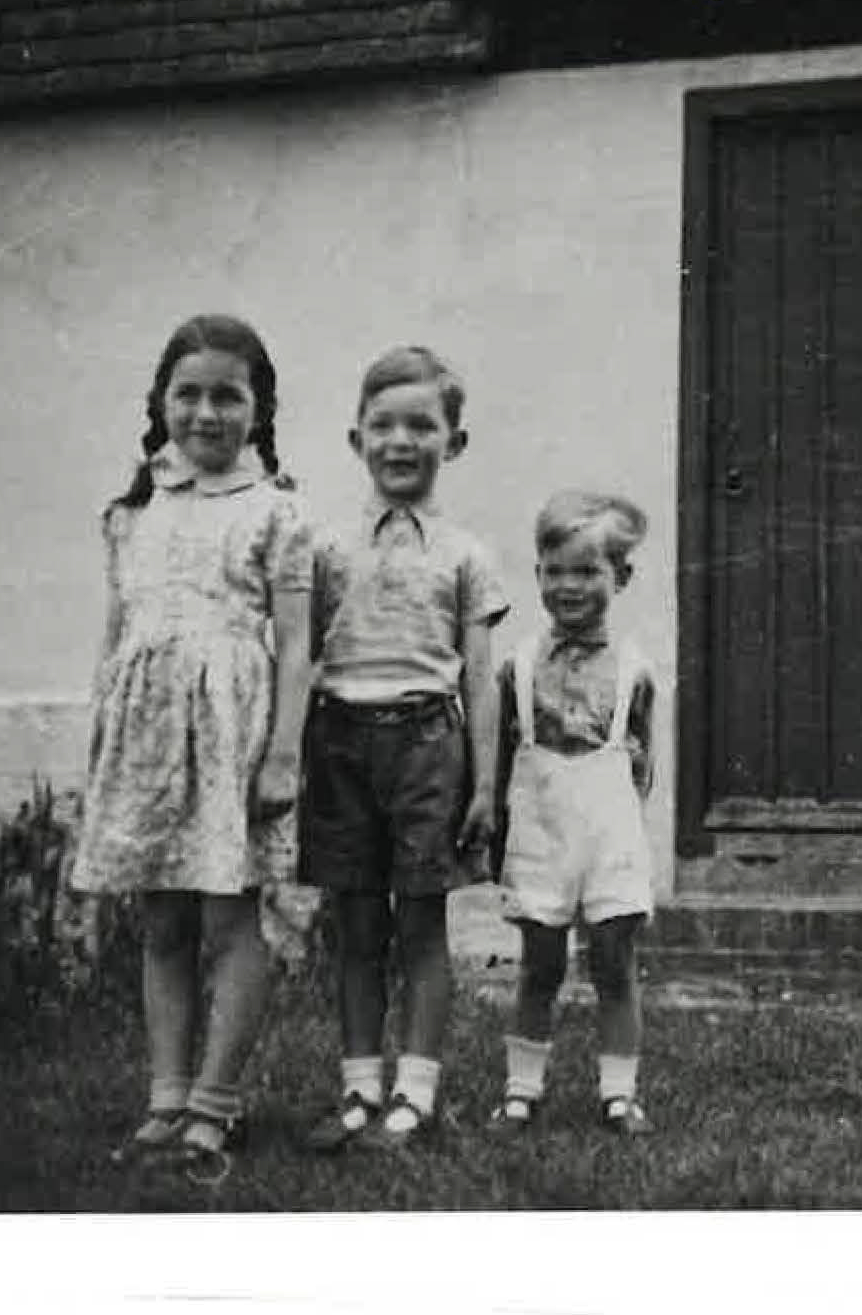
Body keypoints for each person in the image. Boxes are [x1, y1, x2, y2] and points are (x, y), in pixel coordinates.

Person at [71, 313, 314, 1179]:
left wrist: (284, 752)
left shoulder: (278, 512)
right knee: (163, 917)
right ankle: (165, 1098)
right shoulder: (131, 510)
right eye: (188, 394)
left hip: (233, 733)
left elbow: (297, 646)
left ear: (260, 408)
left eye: (227, 396)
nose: (205, 414)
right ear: (160, 403)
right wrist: (103, 724)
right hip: (145, 734)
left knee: (232, 911)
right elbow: (116, 633)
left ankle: (216, 1102)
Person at [299, 345, 508, 1151]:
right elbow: (300, 652)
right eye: (382, 424)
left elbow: (481, 679)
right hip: (342, 744)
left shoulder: (465, 554)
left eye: (421, 424)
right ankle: (358, 1089)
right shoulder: (324, 550)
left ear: (452, 442)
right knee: (355, 926)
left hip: (427, 744)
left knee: (420, 927)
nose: (400, 440)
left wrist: (486, 785)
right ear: (356, 440)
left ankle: (414, 1093)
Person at [487, 491, 657, 1137]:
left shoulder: (636, 668)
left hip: (609, 830)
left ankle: (619, 1094)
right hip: (542, 829)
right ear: (537, 576)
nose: (569, 585)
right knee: (541, 963)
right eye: (554, 570)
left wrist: (623, 829)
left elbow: (644, 766)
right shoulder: (519, 666)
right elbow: (504, 758)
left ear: (622, 577)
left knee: (614, 961)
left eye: (587, 571)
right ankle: (521, 1090)